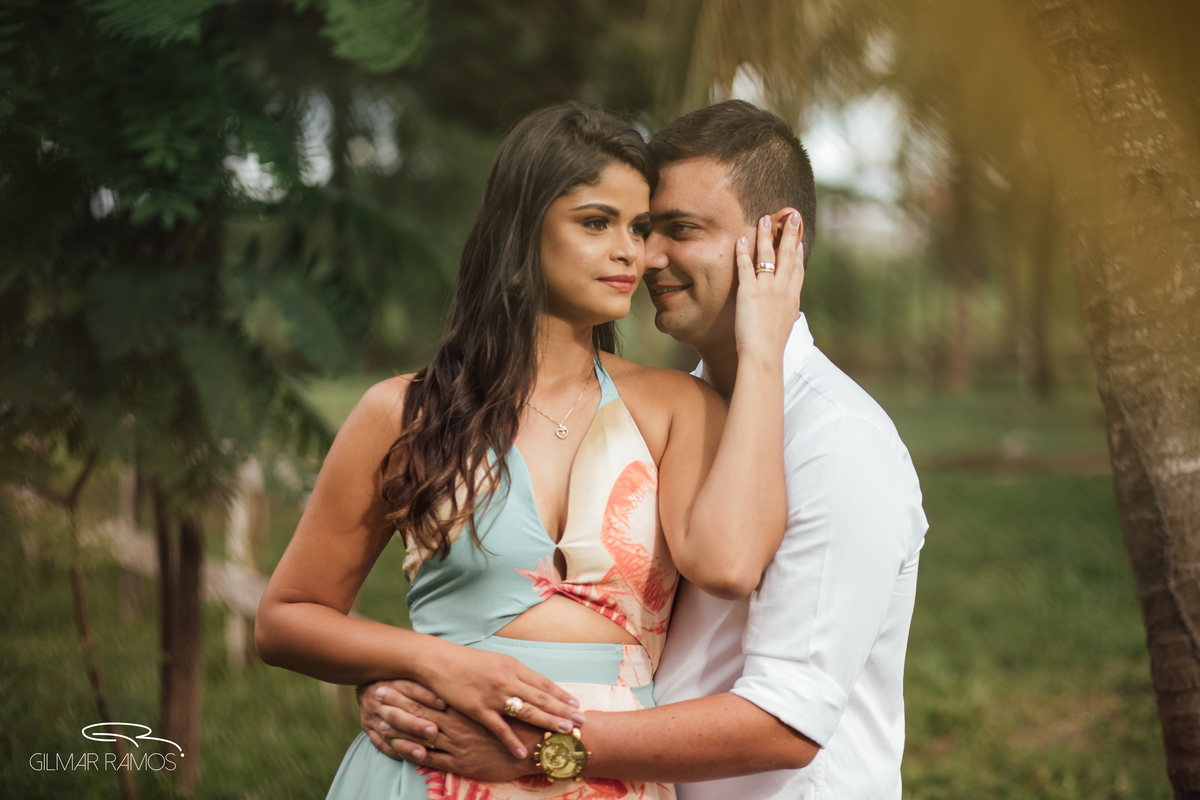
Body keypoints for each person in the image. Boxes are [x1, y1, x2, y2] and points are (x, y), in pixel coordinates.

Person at [360, 100, 929, 799]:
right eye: (637, 227)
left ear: (779, 242)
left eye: (679, 230)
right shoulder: (669, 413)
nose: (645, 256)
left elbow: (787, 719)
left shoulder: (837, 441)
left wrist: (537, 748)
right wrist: (423, 684)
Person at [254, 102, 805, 800]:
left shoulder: (675, 408)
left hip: (606, 779)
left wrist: (763, 347)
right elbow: (285, 619)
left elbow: (728, 564)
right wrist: (432, 663)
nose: (630, 252)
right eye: (596, 222)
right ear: (522, 228)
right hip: (427, 776)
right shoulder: (402, 414)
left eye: (638, 229)